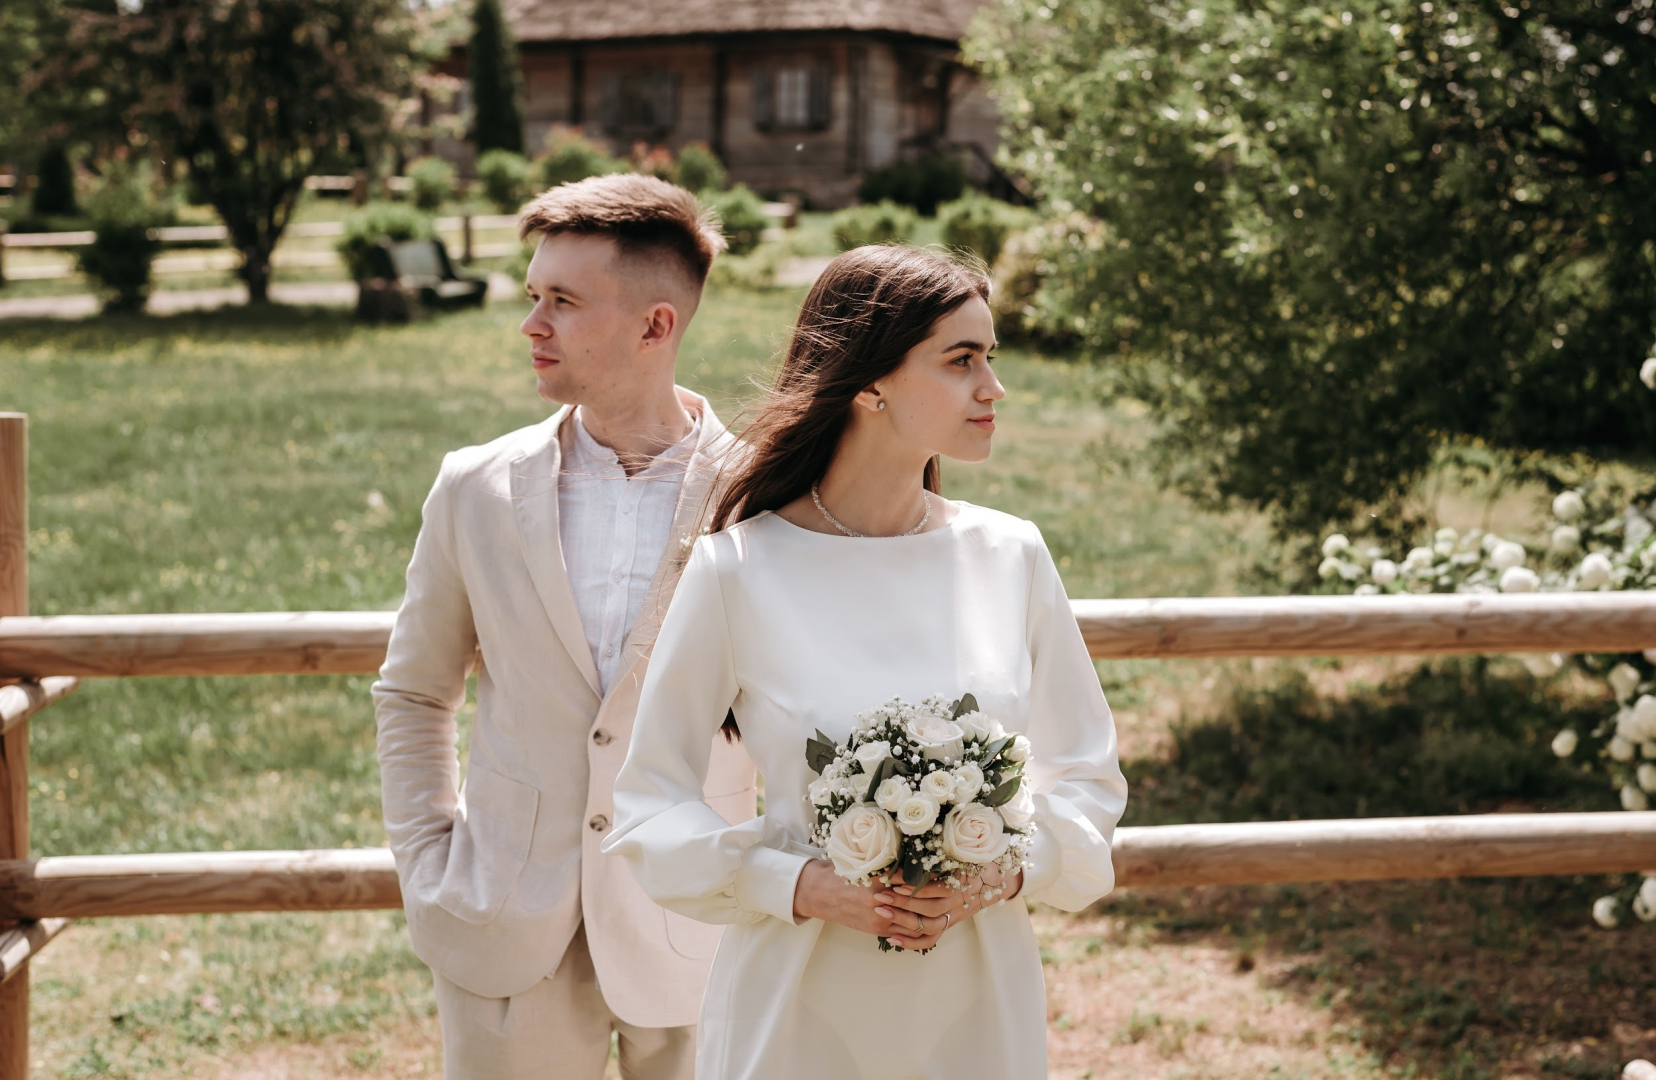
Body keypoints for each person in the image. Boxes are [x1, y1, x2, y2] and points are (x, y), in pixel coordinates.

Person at [602, 245, 1129, 1079]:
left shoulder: (1011, 556)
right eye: (962, 361)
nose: (993, 389)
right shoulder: (737, 570)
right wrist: (804, 885)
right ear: (870, 382)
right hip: (798, 1005)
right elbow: (648, 805)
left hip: (977, 1001)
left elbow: (1089, 780)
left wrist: (1005, 871)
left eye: (990, 358)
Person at [373, 174, 756, 1080]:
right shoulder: (474, 486)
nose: (531, 323)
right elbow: (415, 688)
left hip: (702, 923)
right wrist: (429, 857)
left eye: (562, 301)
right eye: (532, 295)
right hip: (506, 924)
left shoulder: (763, 497)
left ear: (655, 326)